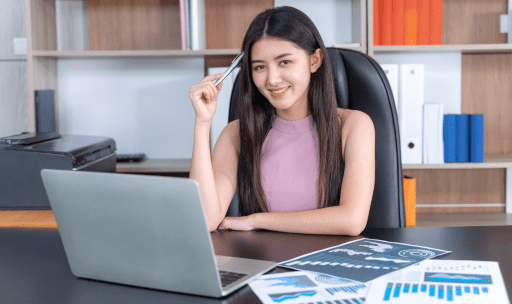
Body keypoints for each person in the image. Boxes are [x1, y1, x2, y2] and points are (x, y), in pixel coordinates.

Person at [188, 6, 375, 236]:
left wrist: (257, 220)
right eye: (260, 67)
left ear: (314, 60)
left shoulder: (354, 126)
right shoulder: (236, 134)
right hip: (262, 264)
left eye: (284, 62)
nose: (273, 79)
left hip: (327, 265)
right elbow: (205, 220)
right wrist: (202, 123)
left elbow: (352, 221)